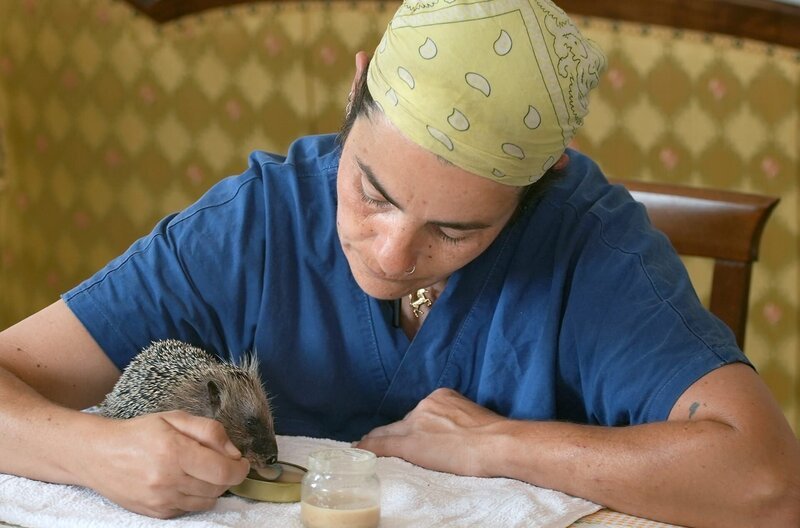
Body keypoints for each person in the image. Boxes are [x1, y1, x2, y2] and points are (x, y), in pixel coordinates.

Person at [0, 0, 798, 525]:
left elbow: (768, 483)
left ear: (543, 182)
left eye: (455, 230)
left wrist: (499, 445)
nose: (389, 256)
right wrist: (95, 451)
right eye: (370, 192)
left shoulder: (588, 249)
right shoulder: (256, 226)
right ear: (353, 92)